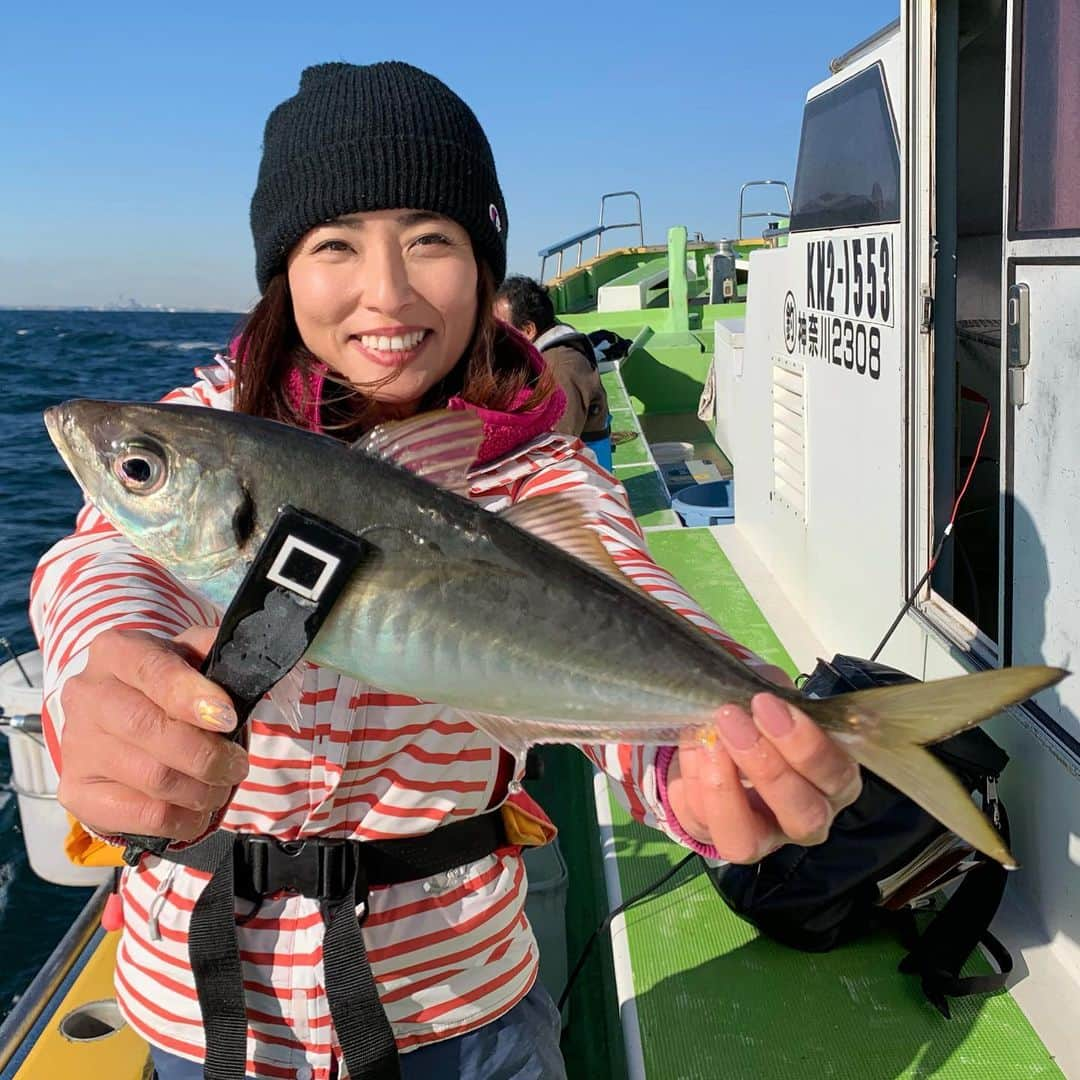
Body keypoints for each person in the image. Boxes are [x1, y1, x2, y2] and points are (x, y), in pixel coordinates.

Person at [29, 61, 861, 1080]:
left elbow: (630, 603)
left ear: (483, 261)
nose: (386, 292)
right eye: (335, 245)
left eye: (431, 239)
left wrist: (716, 766)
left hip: (462, 1015)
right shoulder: (219, 429)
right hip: (211, 1022)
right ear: (284, 272)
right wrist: (101, 673)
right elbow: (99, 559)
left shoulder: (530, 477)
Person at [493, 276, 609, 441]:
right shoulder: (544, 355)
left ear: (528, 330)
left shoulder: (560, 366)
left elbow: (561, 440)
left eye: (500, 329)